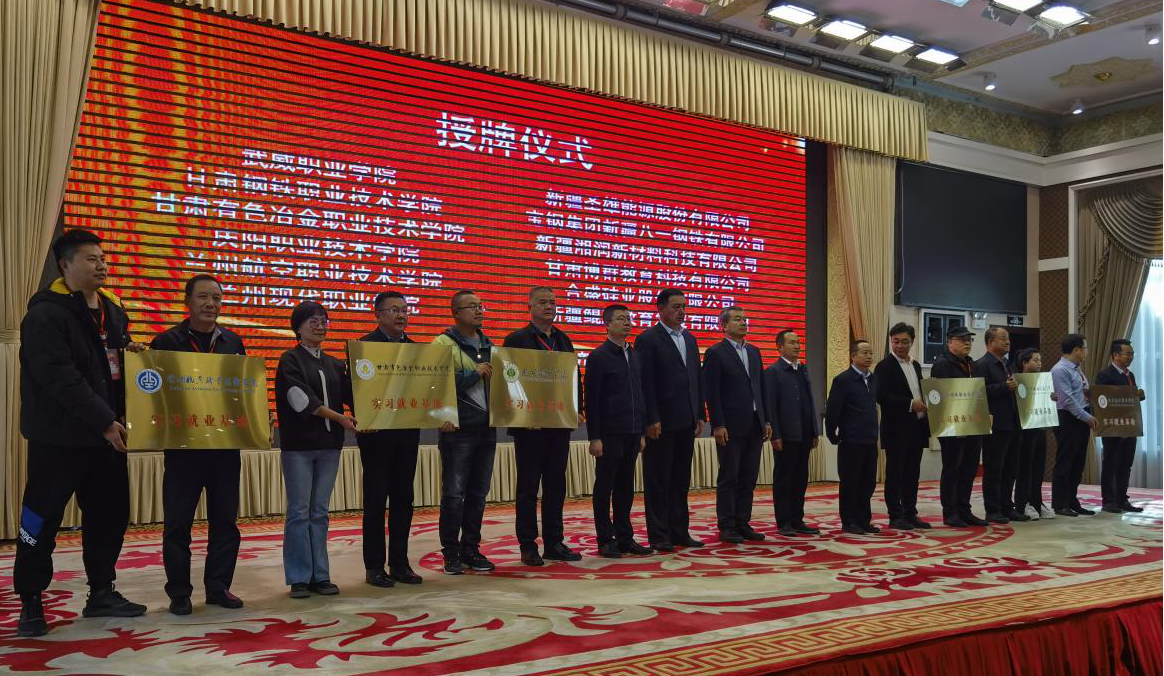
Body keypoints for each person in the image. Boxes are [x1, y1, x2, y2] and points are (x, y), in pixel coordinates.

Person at [14, 228, 146, 637]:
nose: (101, 265)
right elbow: (60, 377)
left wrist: (135, 358)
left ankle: (101, 591)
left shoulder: (113, 310)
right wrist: (104, 420)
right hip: (58, 438)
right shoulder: (45, 315)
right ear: (65, 265)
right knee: (42, 518)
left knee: (109, 516)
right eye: (91, 258)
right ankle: (31, 600)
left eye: (103, 258)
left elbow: (111, 366)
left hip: (107, 438)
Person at [150, 274, 246, 615]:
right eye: (203, 297)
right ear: (187, 301)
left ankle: (219, 587)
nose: (210, 304)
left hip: (224, 448)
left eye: (216, 298)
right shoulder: (166, 341)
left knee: (226, 522)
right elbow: (153, 393)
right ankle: (179, 592)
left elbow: (242, 391)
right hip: (183, 449)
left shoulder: (233, 342)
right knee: (178, 524)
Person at [275, 300, 356, 598]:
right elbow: (301, 401)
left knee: (320, 512)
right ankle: (299, 577)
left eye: (324, 320)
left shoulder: (335, 363)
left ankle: (320, 575)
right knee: (299, 511)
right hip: (299, 447)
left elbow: (353, 395)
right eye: (313, 321)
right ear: (298, 327)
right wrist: (340, 418)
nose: (320, 326)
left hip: (330, 447)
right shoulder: (290, 360)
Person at [504, 286, 581, 566]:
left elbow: (573, 377)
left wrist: (576, 409)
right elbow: (509, 380)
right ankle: (528, 546)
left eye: (552, 302)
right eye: (542, 302)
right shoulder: (517, 339)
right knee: (528, 488)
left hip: (558, 424)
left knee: (555, 485)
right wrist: (522, 416)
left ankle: (554, 542)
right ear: (529, 307)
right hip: (530, 427)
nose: (549, 307)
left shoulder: (563, 339)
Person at [356, 291, 424, 587]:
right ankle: (374, 567)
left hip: (407, 434)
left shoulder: (417, 350)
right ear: (378, 314)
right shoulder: (364, 347)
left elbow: (428, 390)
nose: (401, 315)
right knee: (375, 501)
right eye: (394, 310)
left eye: (404, 310)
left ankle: (400, 563)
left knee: (404, 500)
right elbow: (353, 390)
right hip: (376, 437)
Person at [634, 289, 706, 551]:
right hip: (661, 423)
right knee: (658, 481)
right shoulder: (648, 339)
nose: (682, 311)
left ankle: (679, 532)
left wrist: (700, 414)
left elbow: (696, 379)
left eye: (684, 306)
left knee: (680, 481)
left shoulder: (689, 338)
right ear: (660, 309)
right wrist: (651, 418)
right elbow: (646, 383)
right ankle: (659, 535)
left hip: (687, 421)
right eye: (676, 306)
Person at [432, 290, 498, 574]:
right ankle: (451, 553)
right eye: (471, 306)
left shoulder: (490, 345)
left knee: (478, 493)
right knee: (454, 494)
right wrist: (474, 373)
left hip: (487, 429)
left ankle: (471, 549)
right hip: (457, 430)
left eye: (480, 306)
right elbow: (436, 383)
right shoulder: (442, 343)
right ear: (455, 313)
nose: (478, 310)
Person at [586, 304, 653, 559]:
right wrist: (595, 437)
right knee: (605, 487)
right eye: (621, 319)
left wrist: (642, 432)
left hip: (633, 432)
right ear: (607, 324)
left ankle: (625, 537)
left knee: (626, 487)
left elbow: (641, 395)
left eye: (629, 319)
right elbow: (592, 400)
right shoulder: (598, 356)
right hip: (609, 433)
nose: (627, 323)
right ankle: (605, 539)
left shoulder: (635, 355)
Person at [703, 306, 771, 543]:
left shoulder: (754, 351)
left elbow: (761, 388)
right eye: (737, 319)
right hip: (730, 425)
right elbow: (712, 392)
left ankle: (743, 522)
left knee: (749, 477)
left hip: (755, 423)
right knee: (729, 476)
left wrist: (766, 419)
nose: (743, 323)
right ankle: (727, 525)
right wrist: (718, 424)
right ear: (723, 326)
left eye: (744, 319)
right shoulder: (715, 353)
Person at [874, 323, 931, 530]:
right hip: (896, 429)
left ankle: (910, 512)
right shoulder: (884, 366)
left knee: (912, 473)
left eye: (904, 342)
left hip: (917, 427)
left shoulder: (915, 365)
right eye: (895, 341)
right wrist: (909, 404)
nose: (899, 346)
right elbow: (881, 396)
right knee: (895, 474)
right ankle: (895, 515)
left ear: (912, 342)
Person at [764, 329, 820, 536]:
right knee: (784, 479)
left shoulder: (803, 369)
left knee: (800, 478)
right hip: (786, 435)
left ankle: (797, 519)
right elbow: (770, 406)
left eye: (798, 342)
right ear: (780, 347)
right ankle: (784, 522)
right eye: (792, 342)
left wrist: (814, 430)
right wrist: (775, 435)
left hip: (804, 433)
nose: (797, 346)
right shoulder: (773, 372)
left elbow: (809, 402)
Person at [931, 326, 988, 528]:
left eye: (969, 340)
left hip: (973, 424)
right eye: (962, 339)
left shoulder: (972, 365)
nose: (967, 343)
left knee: (969, 469)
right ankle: (950, 512)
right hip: (952, 426)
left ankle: (964, 509)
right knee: (952, 469)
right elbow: (940, 397)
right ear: (950, 342)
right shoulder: (942, 365)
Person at [974, 328, 1029, 524]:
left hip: (1014, 422)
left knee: (1010, 468)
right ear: (990, 342)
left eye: (1008, 339)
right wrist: (1003, 387)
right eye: (1003, 339)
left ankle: (1007, 506)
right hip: (996, 423)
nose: (1008, 342)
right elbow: (979, 392)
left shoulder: (1008, 364)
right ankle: (993, 509)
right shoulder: (982, 364)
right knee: (994, 468)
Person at [825, 340, 881, 535]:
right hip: (851, 440)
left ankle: (864, 520)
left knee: (868, 482)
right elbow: (833, 409)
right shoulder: (843, 380)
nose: (869, 357)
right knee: (850, 482)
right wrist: (831, 433)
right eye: (864, 353)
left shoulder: (873, 379)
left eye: (870, 353)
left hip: (870, 438)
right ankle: (849, 521)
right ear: (853, 356)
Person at [1096, 339, 1146, 514]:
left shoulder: (1129, 375)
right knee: (1111, 463)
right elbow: (1102, 402)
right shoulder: (1105, 375)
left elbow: (1129, 399)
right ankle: (1109, 501)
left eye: (1132, 354)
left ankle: (1122, 499)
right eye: (1128, 354)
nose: (1131, 357)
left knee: (1125, 464)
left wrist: (1139, 395)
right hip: (1113, 427)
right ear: (1116, 355)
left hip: (1130, 426)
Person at [1050, 333, 1097, 517]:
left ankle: (1071, 500)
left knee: (1078, 463)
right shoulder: (1060, 370)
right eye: (1085, 348)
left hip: (1081, 418)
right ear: (1076, 349)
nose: (1086, 351)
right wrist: (1086, 417)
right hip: (1068, 419)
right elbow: (1067, 399)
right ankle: (1060, 503)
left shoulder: (1076, 369)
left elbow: (1081, 393)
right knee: (1065, 462)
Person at [1012, 349, 1054, 520]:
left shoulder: (1042, 381)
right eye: (1035, 360)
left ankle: (1037, 501)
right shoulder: (1016, 380)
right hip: (1023, 430)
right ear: (1024, 363)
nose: (1039, 363)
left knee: (1038, 467)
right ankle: (1023, 503)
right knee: (1025, 468)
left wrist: (1052, 398)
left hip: (1040, 427)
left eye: (1040, 360)